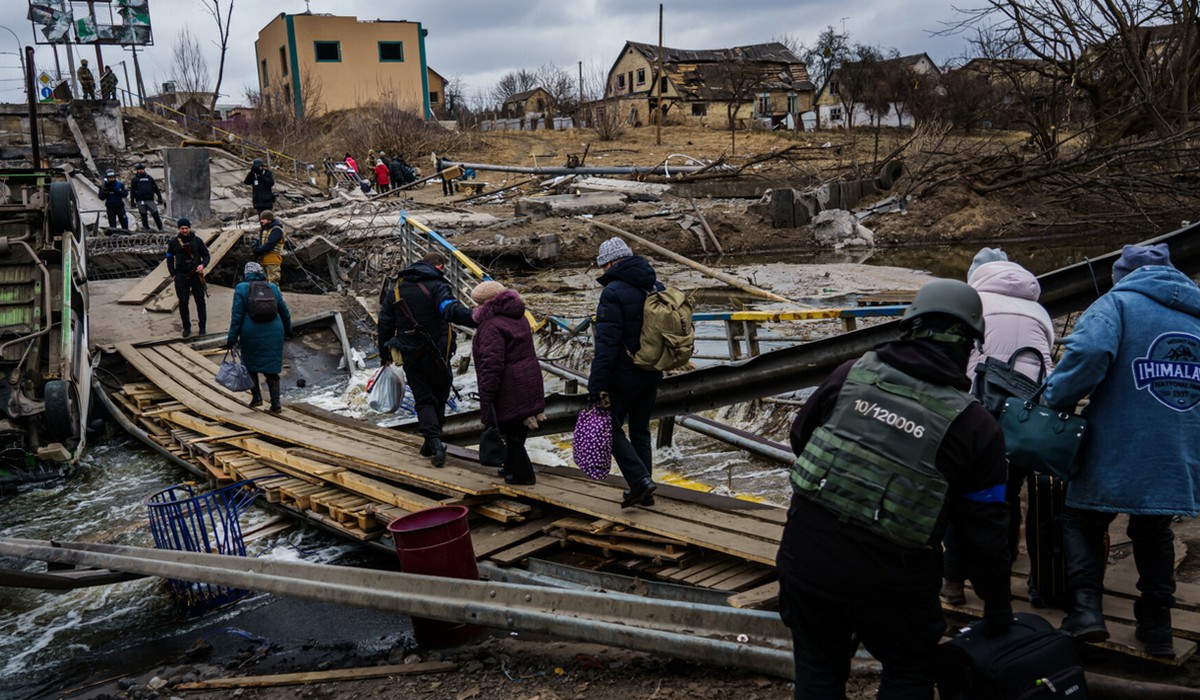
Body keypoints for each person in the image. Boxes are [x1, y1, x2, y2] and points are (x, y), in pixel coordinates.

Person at [777, 278, 1012, 698]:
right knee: (908, 670)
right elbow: (985, 536)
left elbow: (801, 438)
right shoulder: (977, 427)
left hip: (808, 558)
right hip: (893, 582)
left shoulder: (850, 373)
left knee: (818, 668)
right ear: (970, 346)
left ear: (909, 327)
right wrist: (997, 609)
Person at [1042, 243, 1200, 658]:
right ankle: (1158, 627)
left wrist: (1056, 396)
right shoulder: (1195, 312)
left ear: (1121, 277)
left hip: (1118, 439)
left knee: (1083, 519)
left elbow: (1090, 352)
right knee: (1154, 530)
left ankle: (1086, 612)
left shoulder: (1117, 304)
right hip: (1178, 444)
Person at [941, 248, 1056, 607]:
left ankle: (953, 581)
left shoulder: (971, 304)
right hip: (1027, 417)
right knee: (1009, 492)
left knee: (961, 493)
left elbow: (957, 362)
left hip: (979, 413)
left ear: (975, 276)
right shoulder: (1038, 310)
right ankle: (1001, 577)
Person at [377, 251, 476, 467]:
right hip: (438, 352)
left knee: (423, 399)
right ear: (439, 267)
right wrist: (477, 318)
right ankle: (436, 443)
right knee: (440, 395)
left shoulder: (397, 288)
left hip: (409, 353)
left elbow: (385, 323)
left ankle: (431, 443)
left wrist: (384, 355)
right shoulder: (437, 285)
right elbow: (448, 309)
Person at [587, 237, 664, 509]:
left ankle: (640, 481)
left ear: (609, 263)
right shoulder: (655, 286)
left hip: (623, 375)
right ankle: (646, 491)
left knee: (609, 428)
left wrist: (596, 384)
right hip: (651, 370)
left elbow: (606, 344)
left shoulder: (613, 293)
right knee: (640, 430)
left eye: (603, 265)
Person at [470, 281, 546, 486]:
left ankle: (523, 476)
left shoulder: (490, 326)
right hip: (528, 379)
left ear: (485, 304)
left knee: (511, 433)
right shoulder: (519, 316)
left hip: (509, 386)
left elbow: (491, 364)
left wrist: (487, 395)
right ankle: (511, 468)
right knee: (517, 431)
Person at [227, 261, 292, 414]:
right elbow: (285, 312)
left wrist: (232, 338)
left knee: (250, 366)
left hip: (250, 333)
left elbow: (237, 316)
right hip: (274, 332)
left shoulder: (241, 288)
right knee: (271, 369)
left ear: (246, 274)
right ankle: (276, 405)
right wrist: (288, 330)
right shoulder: (272, 287)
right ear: (260, 272)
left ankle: (257, 398)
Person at [165, 218, 210, 339]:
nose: (184, 230)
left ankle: (202, 327)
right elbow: (169, 257)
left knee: (200, 301)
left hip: (196, 275)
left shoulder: (198, 241)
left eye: (186, 228)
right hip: (181, 275)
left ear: (189, 228)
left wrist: (203, 265)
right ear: (179, 229)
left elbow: (206, 255)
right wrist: (173, 273)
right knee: (183, 302)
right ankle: (186, 327)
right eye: (182, 228)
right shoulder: (173, 242)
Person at [252, 210, 285, 285]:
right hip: (264, 260)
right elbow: (262, 241)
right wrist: (256, 244)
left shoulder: (276, 230)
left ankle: (275, 293)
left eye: (263, 219)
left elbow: (270, 245)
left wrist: (258, 251)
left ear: (269, 219)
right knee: (265, 283)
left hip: (273, 260)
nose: (261, 221)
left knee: (273, 283)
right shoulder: (266, 229)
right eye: (261, 219)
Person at [129, 163, 164, 231]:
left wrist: (159, 198)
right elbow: (132, 191)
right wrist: (132, 202)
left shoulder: (149, 178)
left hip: (150, 199)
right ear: (137, 170)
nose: (140, 171)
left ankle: (160, 228)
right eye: (139, 170)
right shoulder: (135, 180)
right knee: (143, 215)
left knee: (155, 214)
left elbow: (156, 189)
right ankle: (146, 228)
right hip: (140, 200)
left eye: (142, 169)